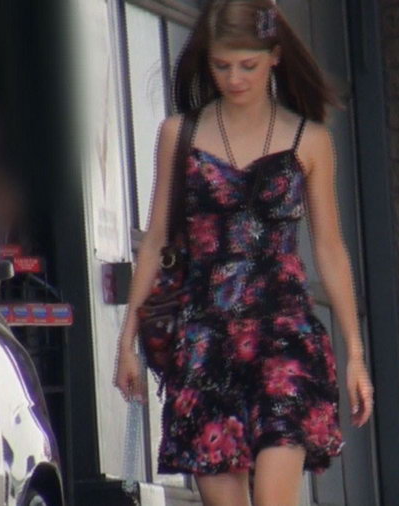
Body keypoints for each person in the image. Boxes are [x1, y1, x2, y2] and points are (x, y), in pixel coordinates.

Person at [114, 1, 373, 504]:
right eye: (222, 65)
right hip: (204, 341)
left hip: (285, 338)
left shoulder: (311, 140)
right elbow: (156, 239)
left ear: (274, 56)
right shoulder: (179, 134)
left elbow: (330, 249)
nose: (234, 79)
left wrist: (355, 353)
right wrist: (127, 341)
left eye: (247, 65)